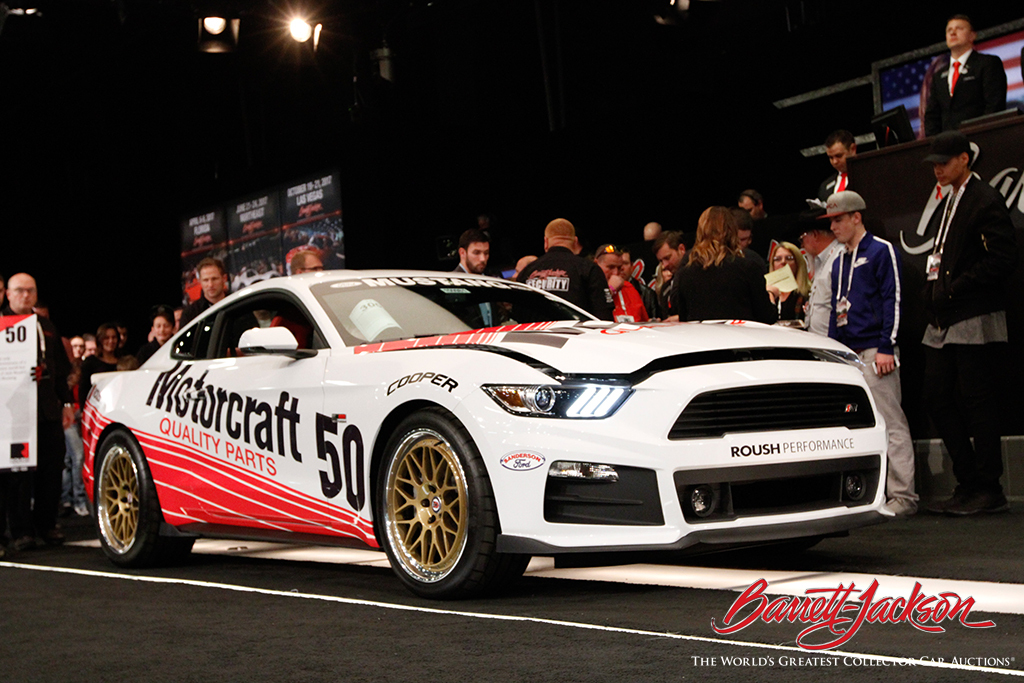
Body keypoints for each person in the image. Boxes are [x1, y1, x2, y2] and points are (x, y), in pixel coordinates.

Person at [920, 131, 1018, 515]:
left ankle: (988, 486)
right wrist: (933, 293)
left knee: (979, 400)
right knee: (936, 395)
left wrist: (956, 287)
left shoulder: (984, 198)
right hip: (944, 314)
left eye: (945, 161)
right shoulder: (951, 199)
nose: (938, 169)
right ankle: (968, 482)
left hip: (973, 312)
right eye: (934, 163)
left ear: (965, 158)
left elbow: (1003, 259)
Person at [823, 191, 917, 517]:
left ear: (856, 217)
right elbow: (838, 312)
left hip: (877, 351)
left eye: (838, 219)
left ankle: (904, 497)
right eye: (831, 220)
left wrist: (887, 346)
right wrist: (833, 355)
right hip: (850, 356)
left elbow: (894, 299)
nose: (833, 226)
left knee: (891, 424)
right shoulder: (838, 262)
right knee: (858, 427)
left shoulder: (881, 251)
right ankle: (868, 495)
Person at [1, 273, 75, 549]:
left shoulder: (46, 326)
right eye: (19, 290)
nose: (25, 295)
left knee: (52, 468)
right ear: (8, 294)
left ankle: (46, 523)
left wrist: (67, 403)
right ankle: (21, 531)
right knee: (17, 473)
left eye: (30, 290)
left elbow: (59, 371)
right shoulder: (1, 324)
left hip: (46, 410)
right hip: (12, 413)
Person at [671, 207, 777, 324]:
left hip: (702, 340)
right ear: (732, 231)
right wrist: (771, 295)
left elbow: (683, 317)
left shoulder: (685, 272)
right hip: (743, 340)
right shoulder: (748, 266)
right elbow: (767, 317)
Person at [923, 14, 1007, 137]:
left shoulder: (988, 63)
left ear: (972, 35)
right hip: (947, 148)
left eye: (959, 28)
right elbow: (932, 116)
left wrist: (982, 135)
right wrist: (937, 145)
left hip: (981, 140)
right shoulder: (938, 76)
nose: (953, 33)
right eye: (949, 30)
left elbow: (994, 105)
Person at [517, 218, 613, 320]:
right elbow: (604, 316)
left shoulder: (527, 271)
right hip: (576, 334)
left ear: (546, 242)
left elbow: (518, 314)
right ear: (575, 242)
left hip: (535, 334)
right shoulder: (589, 269)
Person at [800, 221, 844, 336]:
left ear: (814, 235)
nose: (802, 245)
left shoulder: (840, 256)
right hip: (819, 340)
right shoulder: (819, 259)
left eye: (802, 238)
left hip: (833, 340)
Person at [594, 245, 648, 323]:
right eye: (611, 267)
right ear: (596, 264)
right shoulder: (587, 287)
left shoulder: (629, 288)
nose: (616, 273)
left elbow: (644, 321)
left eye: (619, 268)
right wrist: (611, 289)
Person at [765, 242, 811, 323]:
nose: (783, 262)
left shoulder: (807, 293)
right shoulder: (765, 292)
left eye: (789, 258)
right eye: (777, 259)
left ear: (797, 263)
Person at [179, 257, 229, 327]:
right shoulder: (190, 314)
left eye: (214, 279)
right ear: (200, 282)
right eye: (206, 280)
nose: (210, 285)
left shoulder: (237, 303)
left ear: (224, 278)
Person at [79, 323, 121, 407]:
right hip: (96, 408)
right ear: (100, 340)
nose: (111, 341)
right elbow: (84, 389)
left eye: (114, 337)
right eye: (106, 338)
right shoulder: (90, 362)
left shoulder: (125, 360)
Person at [818, 130, 857, 202]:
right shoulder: (825, 186)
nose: (835, 162)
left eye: (839, 156)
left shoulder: (868, 176)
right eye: (831, 157)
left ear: (853, 149)